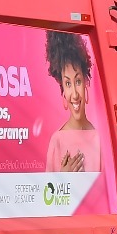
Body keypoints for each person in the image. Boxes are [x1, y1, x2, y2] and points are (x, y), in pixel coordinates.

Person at [44, 30, 101, 172]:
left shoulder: (100, 139)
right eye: (68, 84)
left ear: (86, 82)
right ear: (63, 90)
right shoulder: (57, 141)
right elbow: (46, 194)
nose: (74, 94)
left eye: (78, 81)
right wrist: (64, 180)